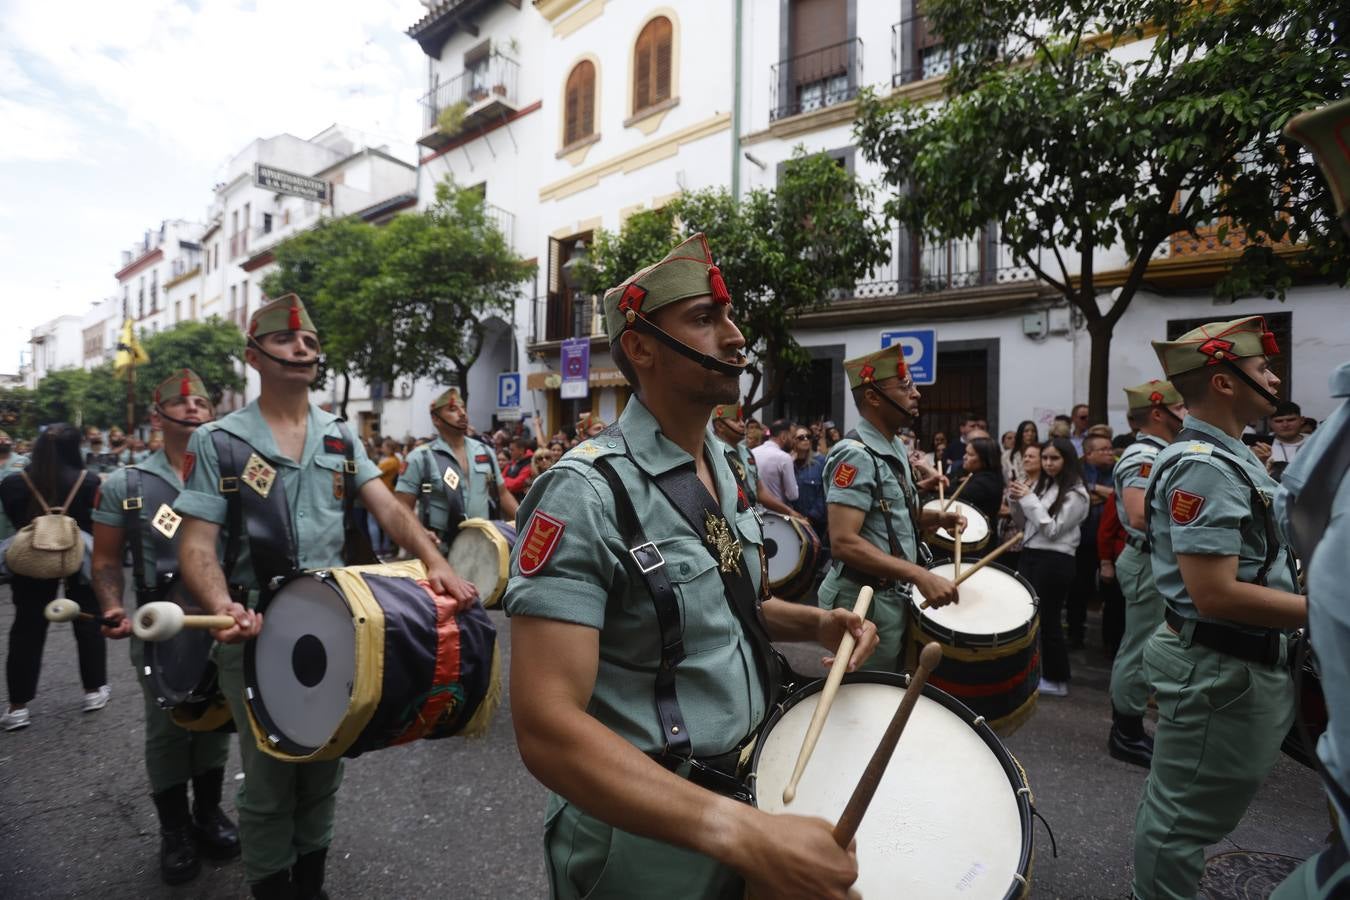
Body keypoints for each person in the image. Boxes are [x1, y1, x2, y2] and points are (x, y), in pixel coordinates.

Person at [503, 232, 878, 899]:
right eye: (706, 319)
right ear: (641, 346)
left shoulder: (729, 465)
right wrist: (742, 833)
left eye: (728, 317)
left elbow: (735, 609)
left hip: (745, 797)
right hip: (645, 839)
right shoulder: (584, 493)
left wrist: (819, 623)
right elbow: (546, 728)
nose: (735, 337)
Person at [172, 294, 473, 899]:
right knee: (269, 776)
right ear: (254, 356)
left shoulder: (339, 437)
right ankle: (272, 887)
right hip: (254, 627)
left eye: (309, 342)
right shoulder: (220, 442)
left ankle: (309, 884)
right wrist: (222, 604)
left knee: (325, 762)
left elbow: (387, 506)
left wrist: (436, 563)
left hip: (338, 623)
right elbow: (197, 544)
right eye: (286, 342)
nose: (302, 350)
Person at [1132, 315, 1304, 899]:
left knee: (1187, 814)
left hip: (1238, 664)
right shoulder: (1204, 464)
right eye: (1263, 369)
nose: (1276, 380)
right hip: (1219, 669)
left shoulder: (1232, 455)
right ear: (1226, 381)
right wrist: (1325, 606)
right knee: (1180, 824)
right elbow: (1214, 592)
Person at [89, 369, 240, 884]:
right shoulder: (125, 483)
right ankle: (174, 829)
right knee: (169, 728)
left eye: (202, 401)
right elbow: (106, 561)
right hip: (161, 623)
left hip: (221, 615)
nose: (195, 408)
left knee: (218, 720)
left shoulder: (231, 473)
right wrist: (111, 605)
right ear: (158, 417)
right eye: (183, 403)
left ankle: (208, 813)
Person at [819, 345, 963, 672]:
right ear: (873, 397)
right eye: (906, 386)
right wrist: (918, 573)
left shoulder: (894, 446)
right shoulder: (855, 454)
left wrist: (937, 518)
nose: (917, 393)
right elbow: (843, 542)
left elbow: (893, 518)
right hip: (861, 601)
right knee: (864, 702)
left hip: (889, 596)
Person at [0, 423, 106, 731]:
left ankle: (17, 706)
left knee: (27, 627)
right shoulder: (90, 481)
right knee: (88, 620)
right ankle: (94, 690)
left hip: (32, 557)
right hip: (80, 555)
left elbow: (14, 519)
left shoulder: (13, 484)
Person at [1105, 380, 1186, 768]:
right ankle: (1126, 731)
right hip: (1147, 562)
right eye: (1181, 407)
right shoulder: (1144, 455)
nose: (1186, 414)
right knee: (1139, 647)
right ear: (1159, 413)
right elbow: (1138, 515)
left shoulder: (1160, 452)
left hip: (1155, 561)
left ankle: (1132, 725)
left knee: (1148, 645)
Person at [1008, 438, 1089, 697]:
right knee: (1028, 618)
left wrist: (1029, 498)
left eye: (1054, 458)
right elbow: (1025, 523)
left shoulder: (1077, 493)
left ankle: (1057, 678)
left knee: (1050, 620)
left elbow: (1052, 529)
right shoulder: (1045, 485)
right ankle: (1035, 672)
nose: (1048, 463)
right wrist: (1015, 500)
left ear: (1067, 460)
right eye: (1045, 458)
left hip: (1055, 560)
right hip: (1031, 554)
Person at [396, 390, 517, 560]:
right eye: (452, 409)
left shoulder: (485, 452)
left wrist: (525, 522)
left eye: (463, 408)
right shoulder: (420, 457)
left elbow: (502, 493)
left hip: (484, 549)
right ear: (436, 419)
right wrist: (420, 533)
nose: (462, 414)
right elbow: (401, 507)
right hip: (439, 551)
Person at [1070, 433, 1117, 650]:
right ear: (1088, 454)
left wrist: (1094, 489)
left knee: (1113, 595)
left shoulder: (1119, 470)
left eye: (1110, 448)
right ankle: (1075, 635)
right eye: (1103, 449)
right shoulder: (1077, 471)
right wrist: (1105, 494)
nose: (1110, 453)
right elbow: (1076, 495)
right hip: (1083, 542)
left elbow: (1120, 497)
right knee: (1078, 590)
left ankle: (1111, 642)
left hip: (1111, 543)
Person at [709, 402, 762, 507]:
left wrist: (789, 511)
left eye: (742, 420)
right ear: (720, 426)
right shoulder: (712, 452)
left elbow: (760, 491)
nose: (743, 424)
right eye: (736, 420)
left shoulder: (746, 452)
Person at [790, 425, 829, 553]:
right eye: (801, 437)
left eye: (808, 437)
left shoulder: (820, 462)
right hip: (791, 522)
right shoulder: (787, 462)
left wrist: (811, 518)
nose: (806, 439)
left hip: (815, 524)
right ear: (793, 441)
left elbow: (824, 493)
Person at [751, 419, 799, 512]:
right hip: (777, 517)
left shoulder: (752, 452)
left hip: (755, 514)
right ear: (784, 436)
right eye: (793, 437)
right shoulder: (784, 457)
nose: (794, 441)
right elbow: (793, 495)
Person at [957, 436, 1005, 526]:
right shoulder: (976, 474)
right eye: (966, 453)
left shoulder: (987, 481)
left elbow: (956, 494)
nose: (964, 457)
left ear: (984, 459)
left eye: (970, 455)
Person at [1262, 400, 1308, 482]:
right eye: (1279, 421)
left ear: (1302, 420)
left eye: (1291, 420)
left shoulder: (1316, 443)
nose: (1285, 425)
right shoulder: (1261, 446)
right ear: (1270, 423)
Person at [0, 429, 30, 542]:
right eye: (0, 440)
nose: (3, 442)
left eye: (6, 439)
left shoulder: (23, 461)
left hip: (16, 513)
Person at [1004, 420, 1039, 485]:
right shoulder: (1007, 455)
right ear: (1020, 434)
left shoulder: (1040, 453)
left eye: (1033, 431)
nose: (1030, 434)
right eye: (1026, 431)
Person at [502, 436, 534, 500]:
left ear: (521, 450)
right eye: (509, 449)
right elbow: (501, 478)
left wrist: (505, 480)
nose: (509, 452)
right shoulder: (512, 461)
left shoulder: (530, 464)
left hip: (521, 500)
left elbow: (515, 484)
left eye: (512, 450)